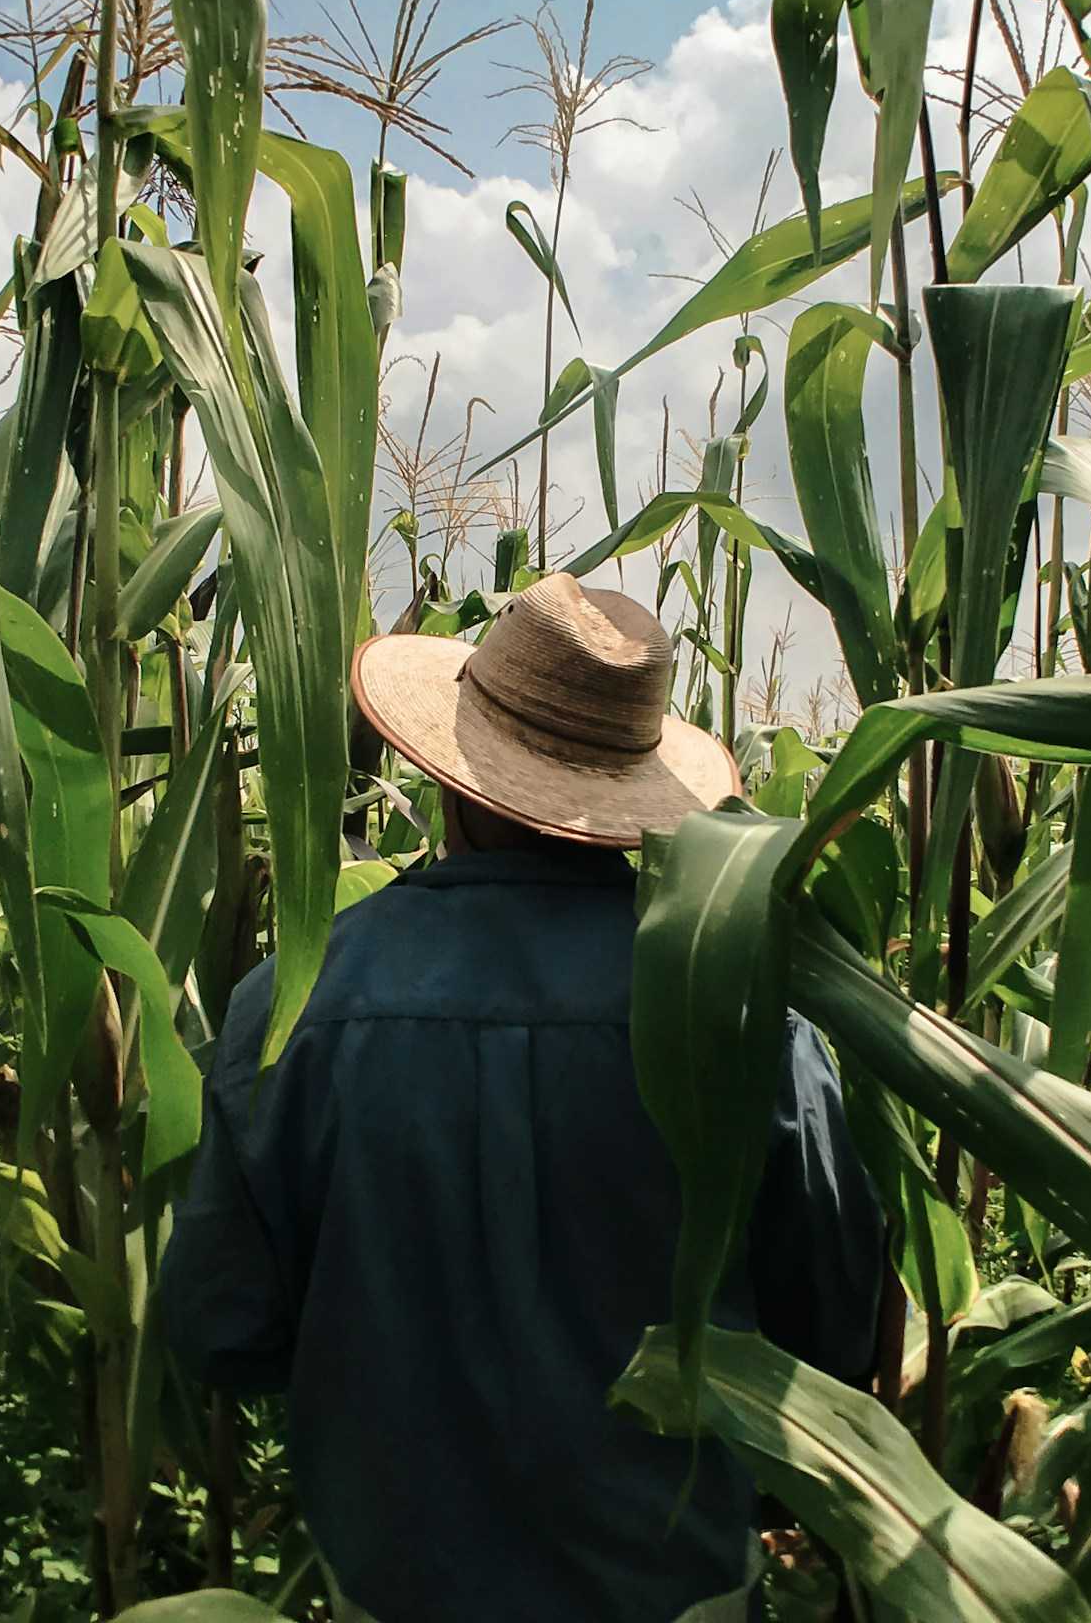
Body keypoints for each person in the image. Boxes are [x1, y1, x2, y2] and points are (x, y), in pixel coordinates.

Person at [158, 572, 885, 1622]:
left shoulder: (297, 1006)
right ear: (639, 792)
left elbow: (218, 1326)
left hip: (397, 1587)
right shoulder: (741, 1017)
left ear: (453, 779)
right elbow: (833, 1340)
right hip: (675, 1591)